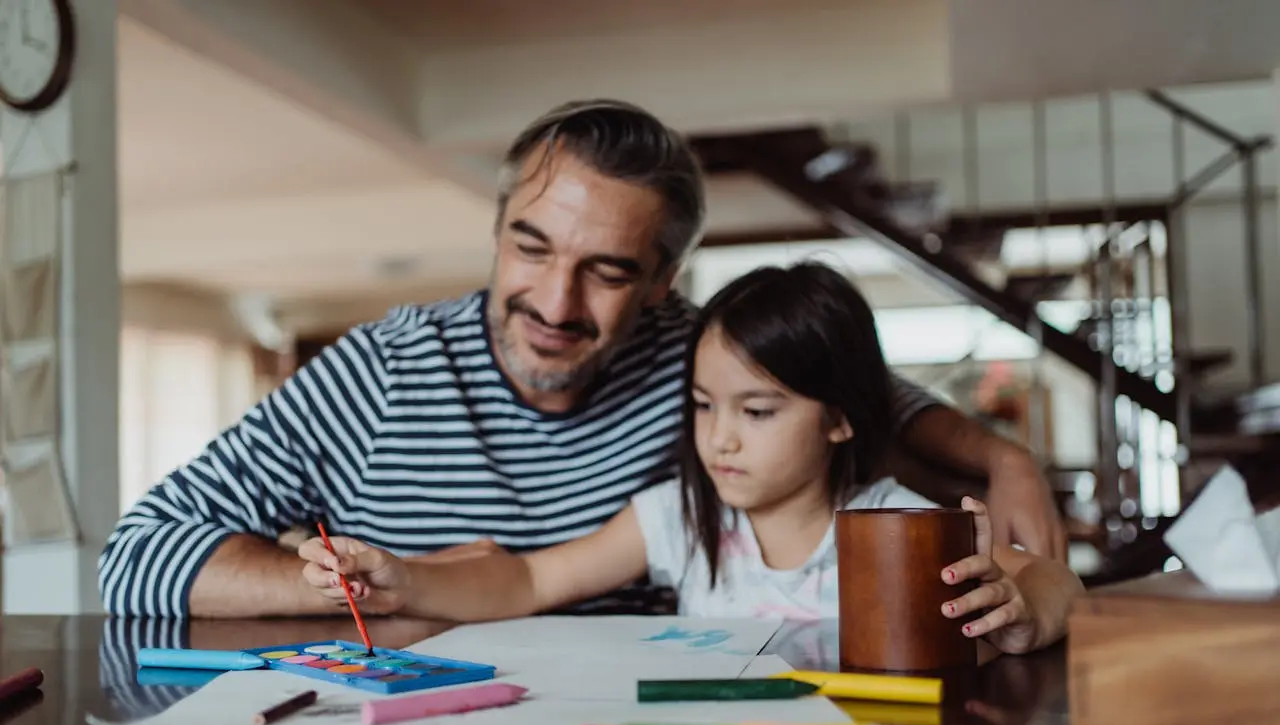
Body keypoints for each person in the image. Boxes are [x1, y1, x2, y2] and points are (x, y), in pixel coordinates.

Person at [98, 98, 1066, 619]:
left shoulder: (695, 353)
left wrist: (1002, 458)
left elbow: (859, 395)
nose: (554, 305)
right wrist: (360, 585)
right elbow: (134, 559)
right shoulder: (381, 370)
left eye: (604, 272)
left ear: (659, 281)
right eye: (530, 249)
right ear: (497, 229)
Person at [300, 263, 1083, 655]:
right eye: (705, 405)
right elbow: (533, 576)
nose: (722, 438)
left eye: (759, 410)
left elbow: (1056, 580)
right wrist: (405, 577)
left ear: (839, 418)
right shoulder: (680, 513)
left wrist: (1024, 612)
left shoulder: (889, 523)